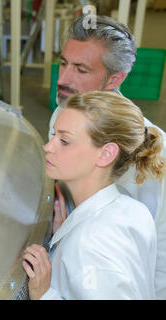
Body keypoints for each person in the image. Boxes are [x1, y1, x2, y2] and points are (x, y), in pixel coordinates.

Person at [48, 14, 166, 299]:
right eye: (63, 63)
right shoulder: (65, 112)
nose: (63, 79)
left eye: (81, 69)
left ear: (115, 78)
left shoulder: (149, 151)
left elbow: (159, 250)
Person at [22, 91, 165, 299]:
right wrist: (67, 232)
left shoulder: (89, 246)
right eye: (54, 135)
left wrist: (43, 294)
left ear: (106, 154)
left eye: (64, 141)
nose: (48, 146)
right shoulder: (134, 210)